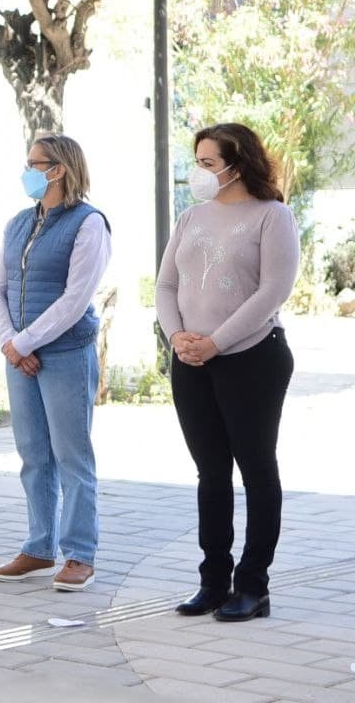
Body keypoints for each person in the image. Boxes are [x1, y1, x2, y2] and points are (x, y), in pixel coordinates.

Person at [157, 123, 298, 622]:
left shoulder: (272, 216)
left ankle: (253, 586)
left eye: (207, 163)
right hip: (190, 362)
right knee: (211, 473)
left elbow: (272, 292)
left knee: (257, 470)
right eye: (196, 162)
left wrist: (216, 342)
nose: (198, 172)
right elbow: (166, 285)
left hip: (253, 359)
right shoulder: (190, 217)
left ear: (237, 165)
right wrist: (179, 339)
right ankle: (213, 581)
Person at [0, 134, 111, 591]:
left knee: (71, 455)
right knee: (33, 455)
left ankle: (80, 554)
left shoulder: (88, 223)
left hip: (65, 353)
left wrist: (26, 341)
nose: (27, 171)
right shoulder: (19, 222)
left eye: (34, 164)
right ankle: (39, 547)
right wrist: (10, 343)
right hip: (19, 356)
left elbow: (75, 299)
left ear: (58, 169)